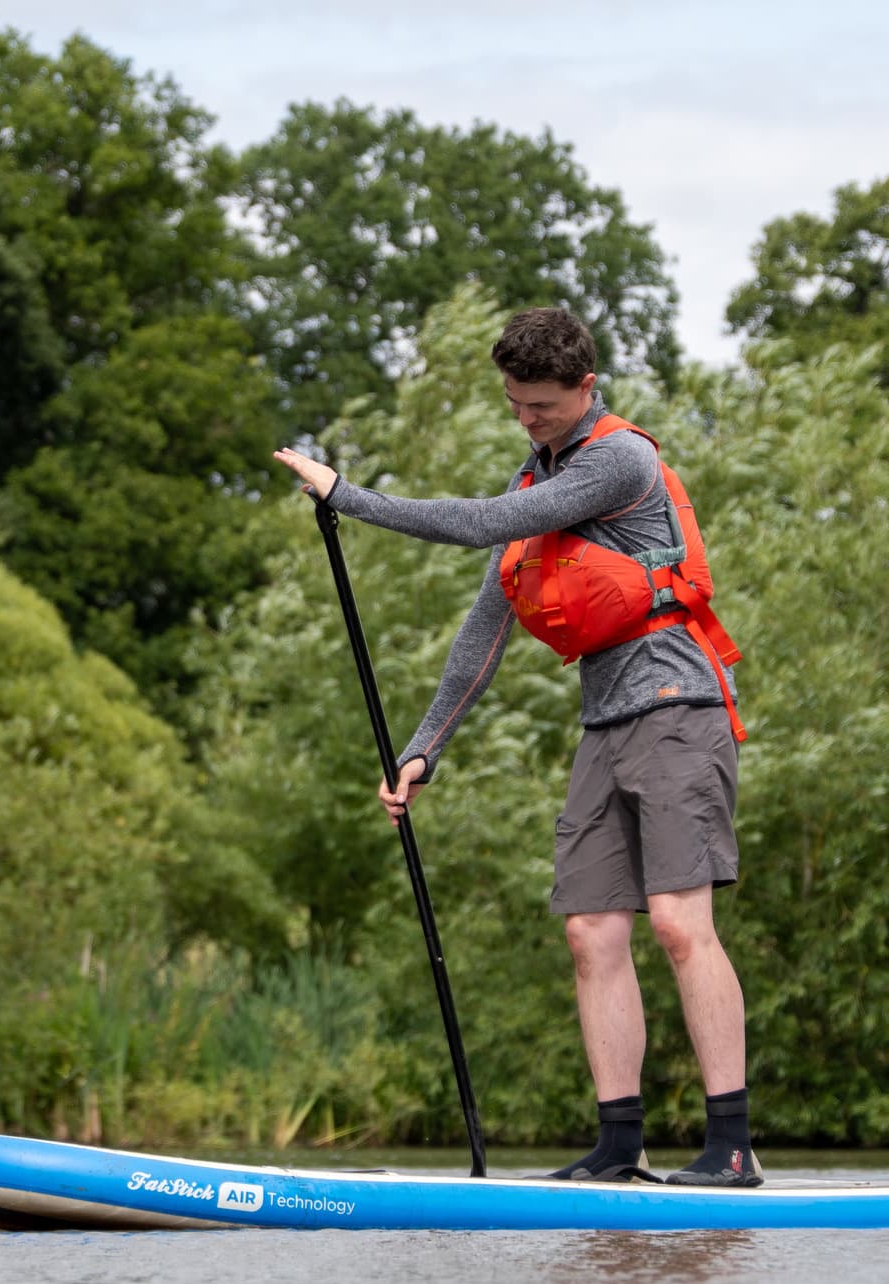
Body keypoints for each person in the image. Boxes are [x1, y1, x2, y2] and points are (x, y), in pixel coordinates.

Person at [271, 307, 760, 1186]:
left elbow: (473, 524)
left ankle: (731, 1147)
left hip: (677, 708)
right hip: (605, 722)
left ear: (585, 387)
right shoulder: (538, 471)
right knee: (589, 930)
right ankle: (620, 1146)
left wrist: (347, 496)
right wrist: (424, 749)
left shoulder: (619, 459)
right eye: (513, 404)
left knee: (684, 928)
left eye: (539, 405)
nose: (525, 419)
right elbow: (488, 621)